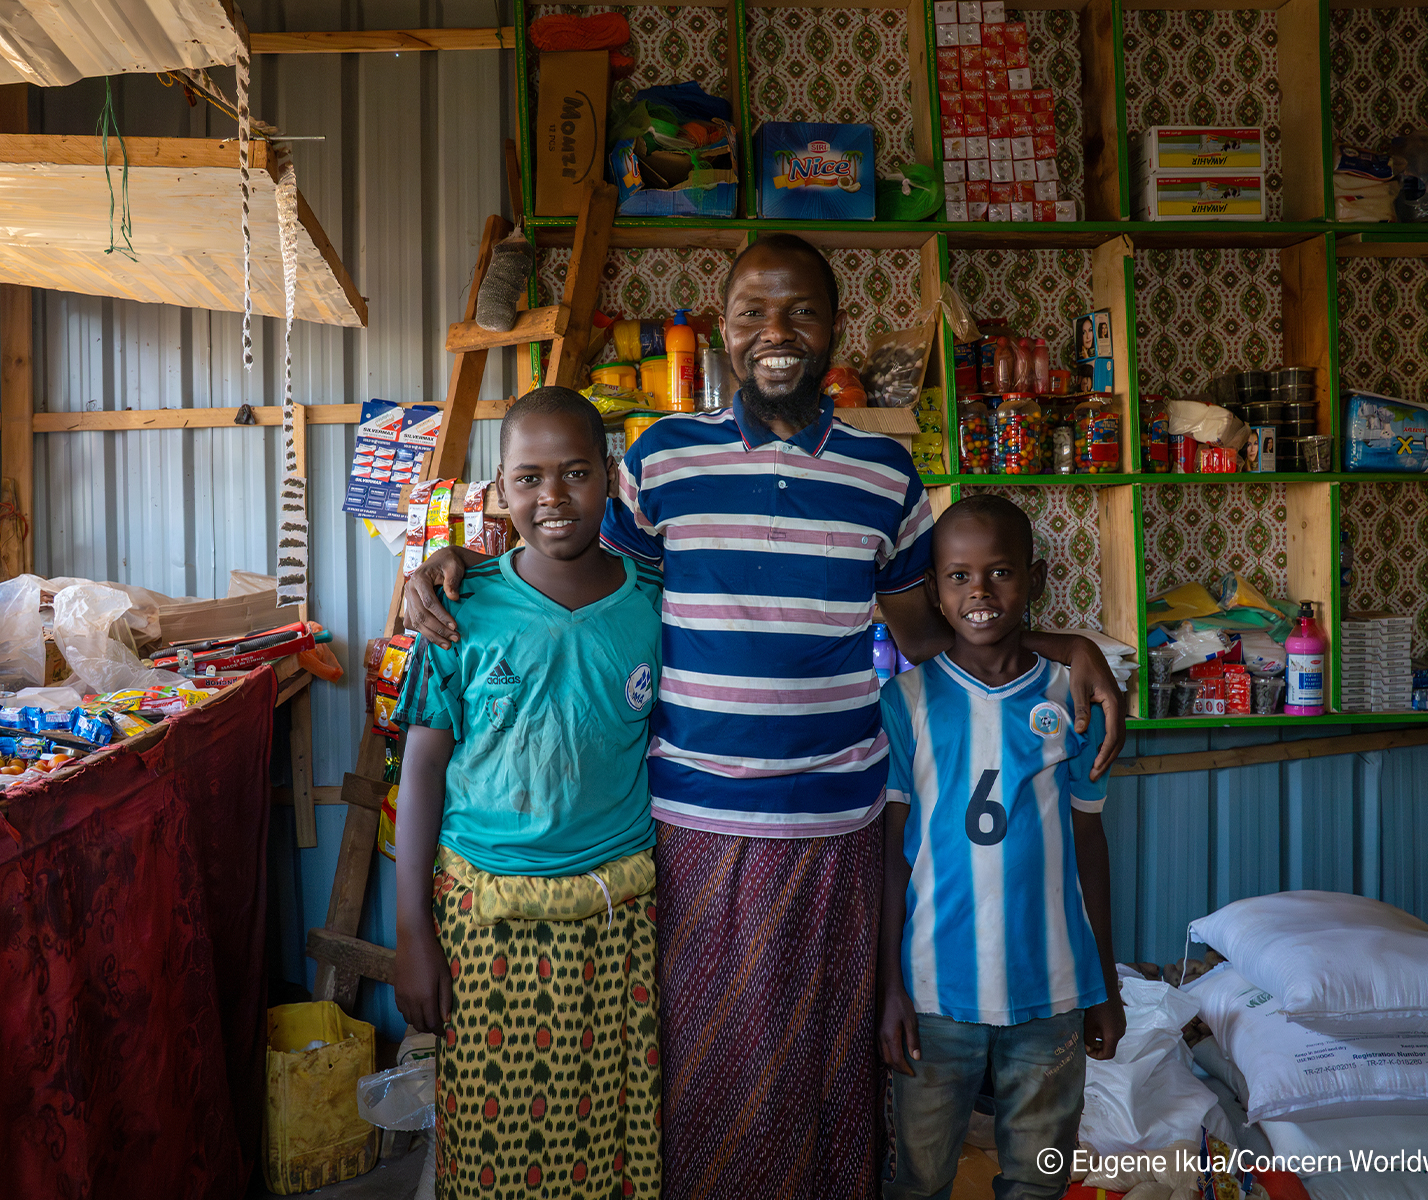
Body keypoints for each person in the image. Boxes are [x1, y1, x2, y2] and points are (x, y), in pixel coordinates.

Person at [404, 234, 1125, 1198]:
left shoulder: (886, 476)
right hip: (692, 823)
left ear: (836, 329)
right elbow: (580, 569)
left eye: (801, 312)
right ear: (723, 330)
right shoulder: (662, 460)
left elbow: (929, 636)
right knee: (702, 1072)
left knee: (826, 1069)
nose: (775, 332)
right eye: (752, 313)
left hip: (837, 821)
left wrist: (1065, 648)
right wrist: (456, 564)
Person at [391, 387, 664, 1199]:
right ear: (501, 488)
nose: (553, 497)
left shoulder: (655, 603)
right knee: (491, 1140)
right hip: (485, 917)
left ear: (609, 476)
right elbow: (421, 769)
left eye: (576, 473)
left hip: (617, 915)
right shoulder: (460, 609)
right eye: (528, 478)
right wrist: (412, 931)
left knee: (612, 1135)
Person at [875, 494, 1125, 1200]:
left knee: (1039, 1178)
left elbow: (1089, 845)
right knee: (919, 1178)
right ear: (934, 589)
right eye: (959, 577)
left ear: (1035, 579)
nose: (980, 592)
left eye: (1001, 573)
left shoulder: (1074, 695)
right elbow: (892, 858)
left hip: (1052, 992)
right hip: (933, 993)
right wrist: (889, 987)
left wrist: (1104, 985)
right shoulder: (907, 702)